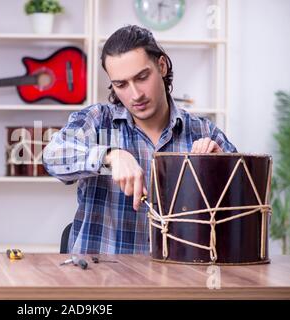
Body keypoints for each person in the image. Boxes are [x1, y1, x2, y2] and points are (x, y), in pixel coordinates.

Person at [42, 25, 237, 254]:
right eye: (121, 84)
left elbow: (241, 205)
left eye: (142, 77)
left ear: (162, 66)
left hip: (178, 280)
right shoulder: (97, 120)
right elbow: (52, 155)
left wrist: (217, 168)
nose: (135, 95)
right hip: (99, 282)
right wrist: (110, 156)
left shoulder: (203, 131)